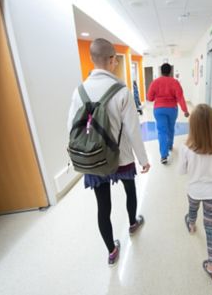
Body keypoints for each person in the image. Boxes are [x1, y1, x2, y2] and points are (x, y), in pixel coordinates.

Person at [67, 38, 151, 267]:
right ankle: (133, 223)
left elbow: (71, 128)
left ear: (92, 59)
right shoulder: (122, 91)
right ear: (112, 60)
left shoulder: (79, 91)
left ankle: (111, 251)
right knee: (130, 191)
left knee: (103, 206)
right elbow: (134, 129)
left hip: (94, 158)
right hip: (121, 156)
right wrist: (143, 159)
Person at [178, 104, 212, 283]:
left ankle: (191, 225)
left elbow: (181, 171)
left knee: (192, 210)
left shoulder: (186, 148)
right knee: (210, 226)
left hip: (194, 190)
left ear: (193, 126)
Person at [147, 63, 190, 164]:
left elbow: (150, 98)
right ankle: (170, 145)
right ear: (170, 71)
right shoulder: (175, 82)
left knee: (162, 131)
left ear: (161, 71)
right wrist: (185, 110)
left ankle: (163, 156)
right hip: (172, 109)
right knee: (171, 128)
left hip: (159, 110)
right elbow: (180, 97)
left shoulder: (155, 82)